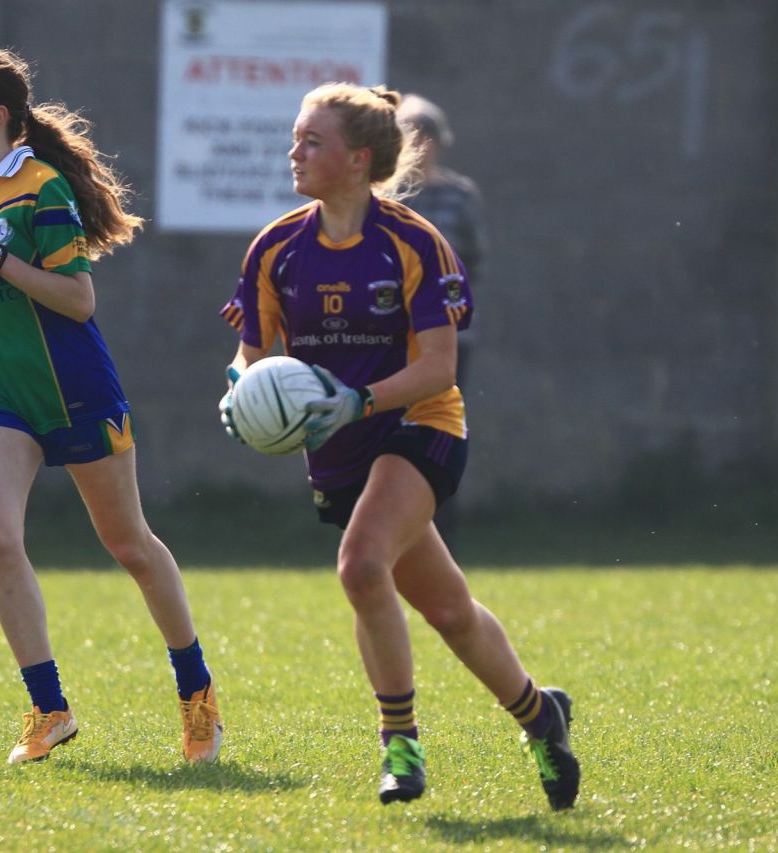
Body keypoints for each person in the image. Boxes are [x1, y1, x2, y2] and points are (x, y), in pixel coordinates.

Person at [218, 83, 578, 809]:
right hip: (339, 448)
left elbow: (440, 367)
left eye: (310, 142)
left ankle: (400, 743)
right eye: (295, 138)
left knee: (359, 565)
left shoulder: (414, 241)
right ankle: (542, 714)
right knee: (449, 612)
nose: (294, 152)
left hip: (422, 424)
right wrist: (239, 395)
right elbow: (251, 357)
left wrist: (357, 398)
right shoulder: (276, 249)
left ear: (357, 160)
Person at [0, 46, 223, 765]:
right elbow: (1, 288)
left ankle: (197, 695)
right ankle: (47, 707)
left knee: (129, 546)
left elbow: (77, 298)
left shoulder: (42, 189)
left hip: (75, 387)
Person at [396, 94, 488, 548]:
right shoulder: (386, 197)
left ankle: (441, 532)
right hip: (392, 341)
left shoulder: (460, 194)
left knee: (441, 431)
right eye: (409, 134)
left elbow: (473, 260)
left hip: (448, 338)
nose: (419, 144)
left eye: (425, 134)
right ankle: (398, 528)